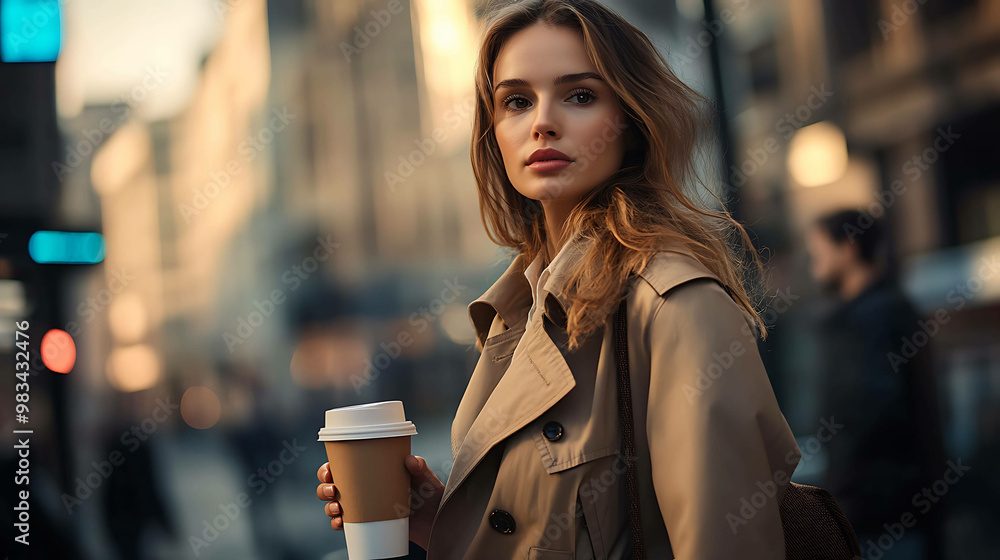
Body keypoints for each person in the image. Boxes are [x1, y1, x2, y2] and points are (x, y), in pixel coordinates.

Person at [317, 1, 801, 557]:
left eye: (579, 95)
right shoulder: (517, 309)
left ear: (631, 121)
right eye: (517, 101)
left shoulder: (674, 305)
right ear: (492, 132)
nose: (543, 121)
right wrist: (438, 518)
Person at [805, 209, 946, 560]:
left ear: (849, 247)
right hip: (878, 512)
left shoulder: (876, 317)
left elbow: (870, 412)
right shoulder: (869, 313)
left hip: (883, 516)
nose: (813, 265)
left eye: (819, 252)